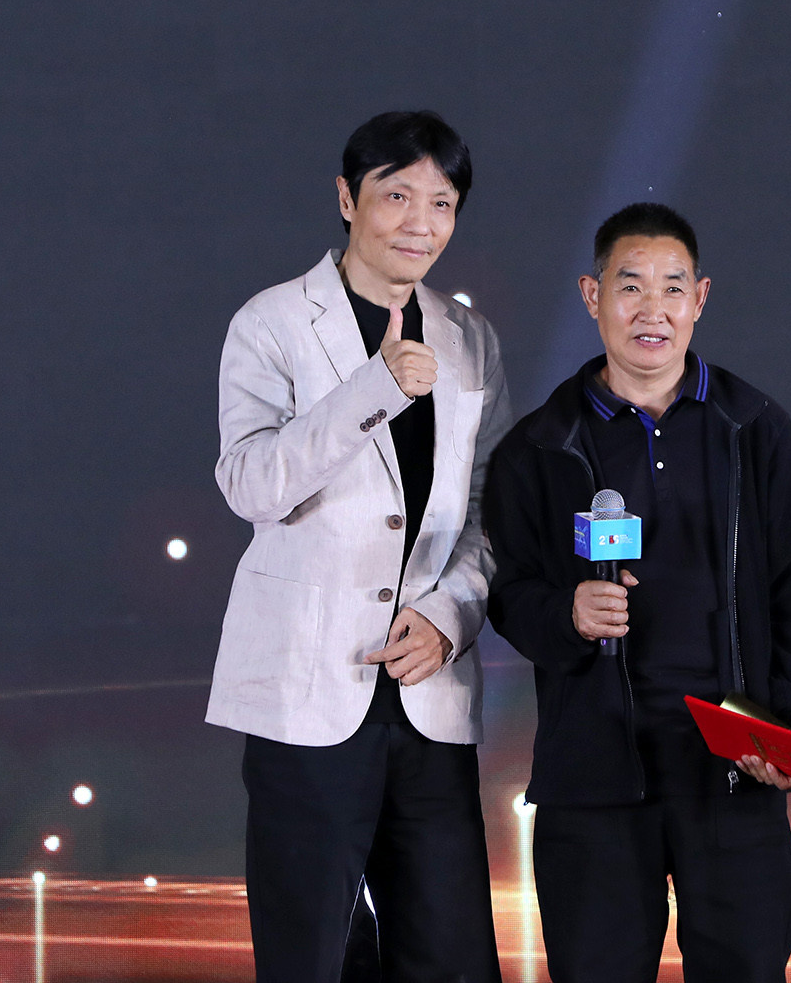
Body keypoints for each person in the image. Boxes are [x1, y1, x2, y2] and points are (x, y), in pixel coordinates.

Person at [483, 203, 791, 982]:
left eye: (673, 287)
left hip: (732, 765)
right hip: (594, 777)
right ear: (592, 295)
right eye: (630, 285)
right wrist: (568, 612)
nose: (653, 309)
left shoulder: (755, 428)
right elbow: (505, 594)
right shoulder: (538, 447)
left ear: (700, 299)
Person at [207, 110, 509, 983]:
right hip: (306, 688)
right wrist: (372, 387)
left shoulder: (469, 338)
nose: (421, 222)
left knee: (449, 957)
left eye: (442, 203)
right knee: (311, 956)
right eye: (397, 195)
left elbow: (491, 506)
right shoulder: (271, 322)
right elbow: (251, 485)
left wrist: (451, 616)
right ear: (347, 199)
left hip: (427, 690)